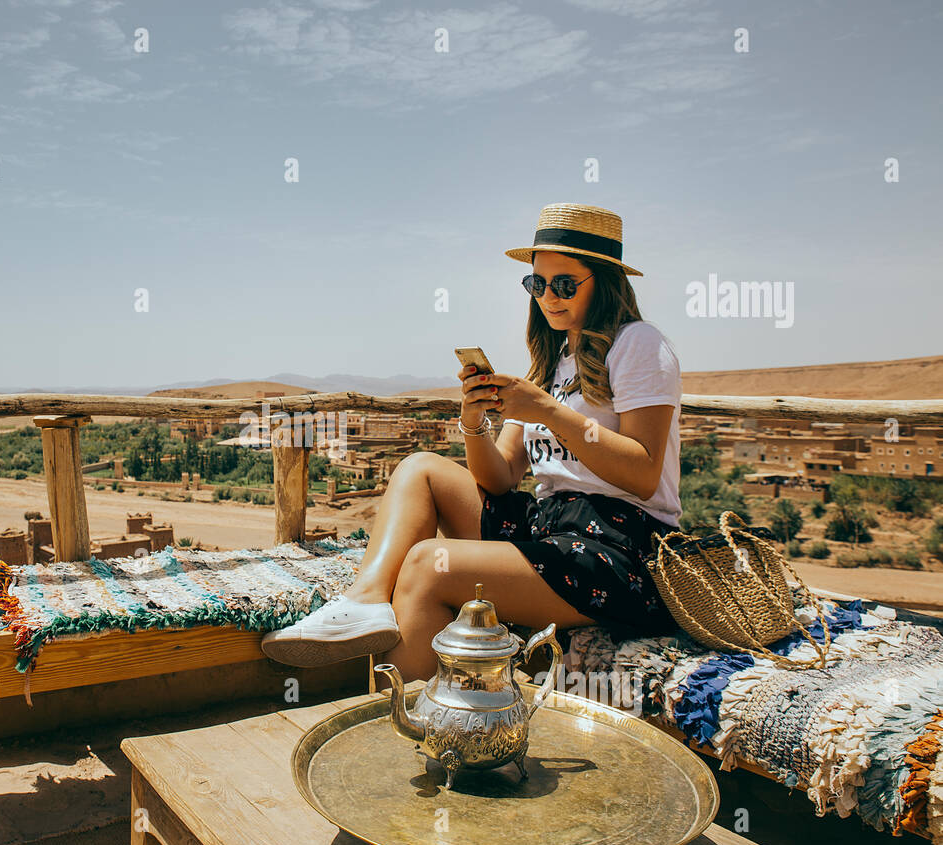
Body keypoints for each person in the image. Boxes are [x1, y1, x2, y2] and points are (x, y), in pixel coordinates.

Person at [261, 203, 683, 682]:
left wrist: (546, 410)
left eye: (565, 284)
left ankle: (411, 727)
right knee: (421, 467)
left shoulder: (639, 344)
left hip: (617, 547)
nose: (549, 297)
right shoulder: (554, 361)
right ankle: (366, 601)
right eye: (537, 284)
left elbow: (645, 475)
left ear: (604, 282)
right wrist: (474, 420)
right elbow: (500, 478)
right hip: (551, 527)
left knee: (427, 566)